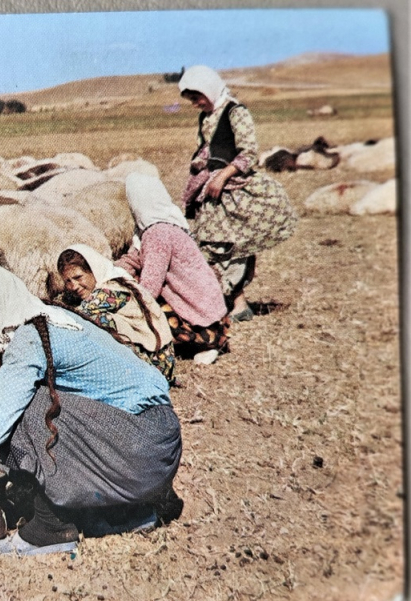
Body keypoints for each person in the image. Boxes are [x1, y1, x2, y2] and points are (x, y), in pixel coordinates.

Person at [0, 261, 181, 556]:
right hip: (156, 447)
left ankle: (50, 528)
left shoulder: (28, 341)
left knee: (30, 410)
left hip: (141, 451)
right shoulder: (50, 319)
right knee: (26, 402)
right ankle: (122, 513)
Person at [178, 65, 297, 322]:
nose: (195, 104)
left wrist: (222, 176)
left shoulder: (235, 112)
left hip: (234, 189)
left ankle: (237, 304)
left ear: (208, 89)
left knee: (232, 246)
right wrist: (201, 165)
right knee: (212, 247)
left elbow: (249, 152)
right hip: (212, 192)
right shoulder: (206, 117)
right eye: (192, 100)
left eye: (197, 97)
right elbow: (208, 149)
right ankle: (233, 302)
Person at [116, 173, 230, 365]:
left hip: (202, 313)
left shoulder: (157, 234)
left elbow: (150, 287)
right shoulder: (164, 225)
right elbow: (135, 257)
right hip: (207, 305)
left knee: (138, 295)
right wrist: (107, 270)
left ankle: (205, 342)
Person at [54, 244, 176, 382]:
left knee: (96, 320)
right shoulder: (103, 286)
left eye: (78, 277)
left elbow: (77, 315)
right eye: (68, 281)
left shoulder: (111, 290)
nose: (74, 286)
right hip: (150, 357)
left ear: (93, 270)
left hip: (157, 362)